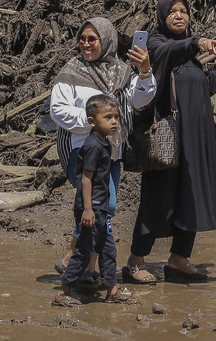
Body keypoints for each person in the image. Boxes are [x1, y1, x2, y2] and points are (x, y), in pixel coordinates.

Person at [126, 0, 216, 283]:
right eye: (173, 11)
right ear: (163, 16)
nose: (179, 15)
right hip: (169, 139)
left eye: (184, 11)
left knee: (191, 197)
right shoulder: (156, 45)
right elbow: (170, 55)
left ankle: (178, 260)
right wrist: (195, 42)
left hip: (196, 141)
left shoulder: (191, 58)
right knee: (157, 199)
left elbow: (195, 90)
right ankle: (136, 260)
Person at [49, 17, 156, 281]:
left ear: (106, 41)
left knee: (103, 207)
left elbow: (140, 100)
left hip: (113, 152)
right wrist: (93, 123)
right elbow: (58, 110)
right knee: (98, 205)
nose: (86, 44)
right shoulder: (71, 72)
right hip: (83, 149)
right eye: (82, 38)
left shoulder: (122, 71)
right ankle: (75, 260)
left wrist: (144, 72)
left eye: (92, 39)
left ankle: (84, 265)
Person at [53, 94, 129, 307]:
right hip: (91, 208)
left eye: (116, 117)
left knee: (108, 250)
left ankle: (112, 291)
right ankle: (63, 293)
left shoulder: (103, 143)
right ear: (92, 121)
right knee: (85, 251)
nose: (114, 121)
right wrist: (87, 209)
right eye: (108, 117)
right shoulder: (93, 145)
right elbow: (85, 179)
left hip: (100, 208)